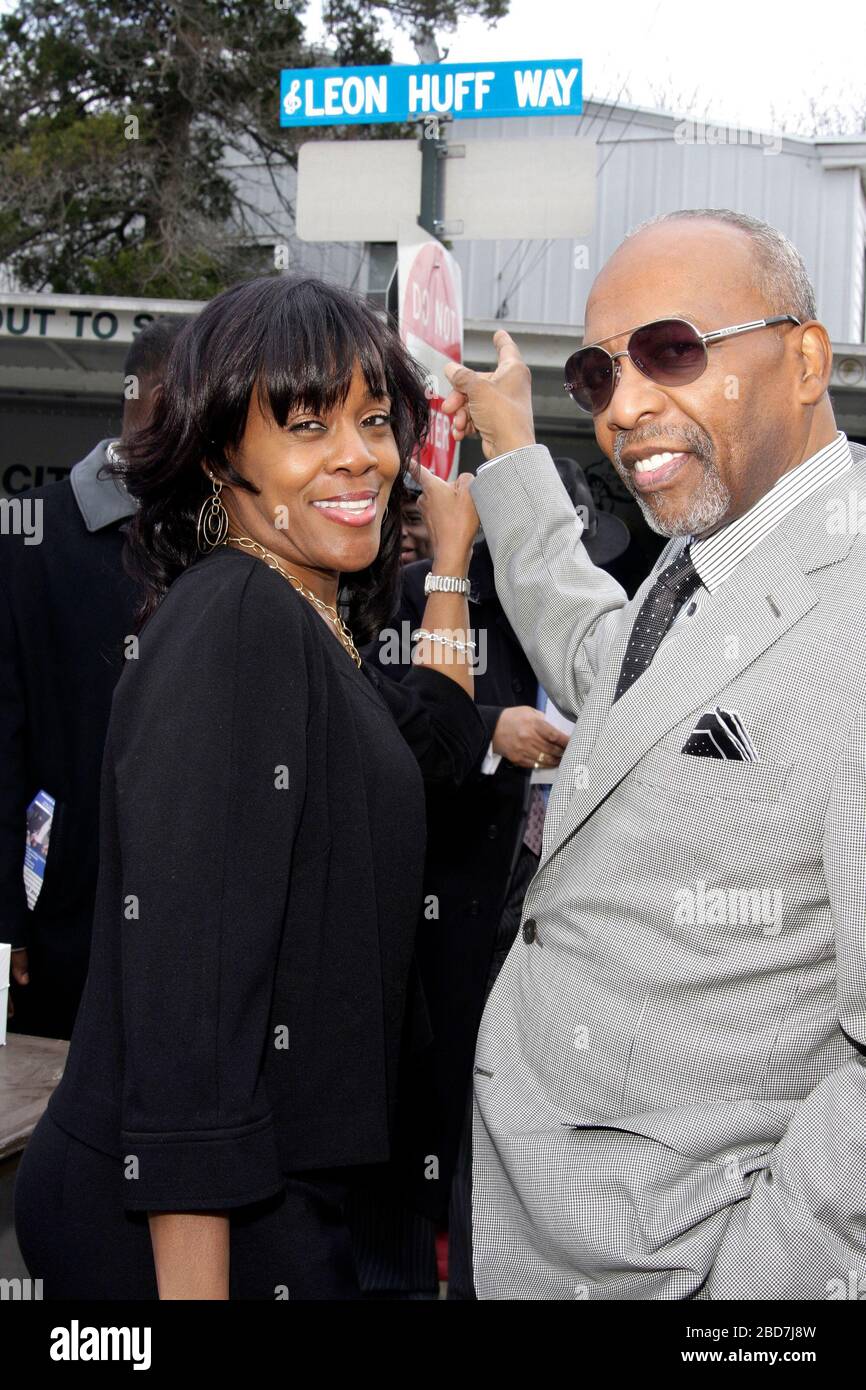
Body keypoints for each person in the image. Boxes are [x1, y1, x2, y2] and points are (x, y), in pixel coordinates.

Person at [13, 274, 486, 1301]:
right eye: (305, 426)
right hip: (195, 1229)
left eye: (372, 420)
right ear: (221, 452)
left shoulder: (297, 613)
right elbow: (191, 1009)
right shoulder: (239, 624)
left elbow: (429, 740)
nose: (357, 455)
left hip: (277, 1199)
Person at [442, 208, 866, 1300]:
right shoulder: (706, 548)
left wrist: (748, 1293)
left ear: (804, 359)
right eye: (595, 374)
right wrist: (516, 455)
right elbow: (616, 679)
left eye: (670, 351)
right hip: (528, 1233)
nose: (624, 406)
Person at [351, 457, 630, 1299]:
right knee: (424, 1132)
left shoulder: (611, 626)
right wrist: (483, 730)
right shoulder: (417, 599)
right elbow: (383, 725)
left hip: (568, 935)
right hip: (450, 925)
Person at [1, 316, 187, 1039]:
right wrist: (6, 918)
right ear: (139, 399)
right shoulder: (30, 537)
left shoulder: (230, 539)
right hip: (65, 924)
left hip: (199, 934)